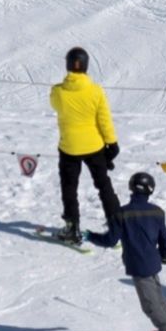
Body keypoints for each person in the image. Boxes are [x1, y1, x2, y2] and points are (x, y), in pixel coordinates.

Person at [88, 171, 166, 331]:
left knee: (152, 307)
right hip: (152, 264)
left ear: (132, 187)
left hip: (138, 267)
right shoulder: (157, 212)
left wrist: (89, 235)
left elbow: (110, 240)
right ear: (150, 190)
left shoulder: (121, 213)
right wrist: (164, 256)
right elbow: (165, 240)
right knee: (159, 301)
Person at [49, 46, 120, 245]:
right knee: (104, 185)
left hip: (69, 147)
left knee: (69, 188)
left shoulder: (58, 92)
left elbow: (54, 105)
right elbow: (104, 119)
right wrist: (111, 143)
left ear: (68, 65)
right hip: (95, 146)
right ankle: (117, 226)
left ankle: (72, 228)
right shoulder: (96, 91)